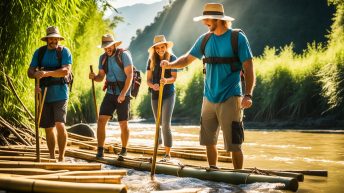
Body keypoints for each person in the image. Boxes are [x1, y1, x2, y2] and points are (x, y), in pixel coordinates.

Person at [161, 3, 256, 169]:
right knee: (208, 141)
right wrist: (169, 65)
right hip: (208, 98)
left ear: (218, 19)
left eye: (207, 19)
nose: (204, 22)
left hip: (231, 97)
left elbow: (249, 67)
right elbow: (186, 59)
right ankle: (213, 174)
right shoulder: (204, 39)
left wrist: (248, 95)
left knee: (234, 144)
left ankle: (238, 180)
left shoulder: (238, 38)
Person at [27, 26, 72, 162]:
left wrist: (46, 73)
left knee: (60, 124)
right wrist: (36, 76)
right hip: (43, 94)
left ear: (58, 38)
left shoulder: (64, 52)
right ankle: (52, 157)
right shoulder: (39, 52)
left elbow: (65, 71)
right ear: (47, 39)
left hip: (61, 94)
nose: (54, 41)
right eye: (51, 38)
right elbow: (30, 72)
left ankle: (61, 157)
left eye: (55, 38)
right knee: (48, 127)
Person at [89, 34, 133, 158]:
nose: (107, 49)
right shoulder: (102, 58)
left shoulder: (124, 55)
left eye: (109, 46)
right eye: (105, 47)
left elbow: (130, 75)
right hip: (110, 92)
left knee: (123, 123)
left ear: (114, 45)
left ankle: (124, 150)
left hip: (124, 92)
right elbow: (100, 77)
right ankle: (100, 149)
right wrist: (94, 77)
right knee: (101, 120)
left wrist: (124, 93)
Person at [146, 35, 177, 161]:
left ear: (166, 47)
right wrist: (153, 85)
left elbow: (174, 78)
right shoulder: (151, 60)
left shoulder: (172, 58)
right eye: (157, 48)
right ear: (154, 49)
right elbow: (148, 80)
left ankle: (167, 154)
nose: (160, 49)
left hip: (168, 94)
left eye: (162, 47)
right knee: (158, 123)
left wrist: (166, 80)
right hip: (155, 95)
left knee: (165, 124)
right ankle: (157, 148)